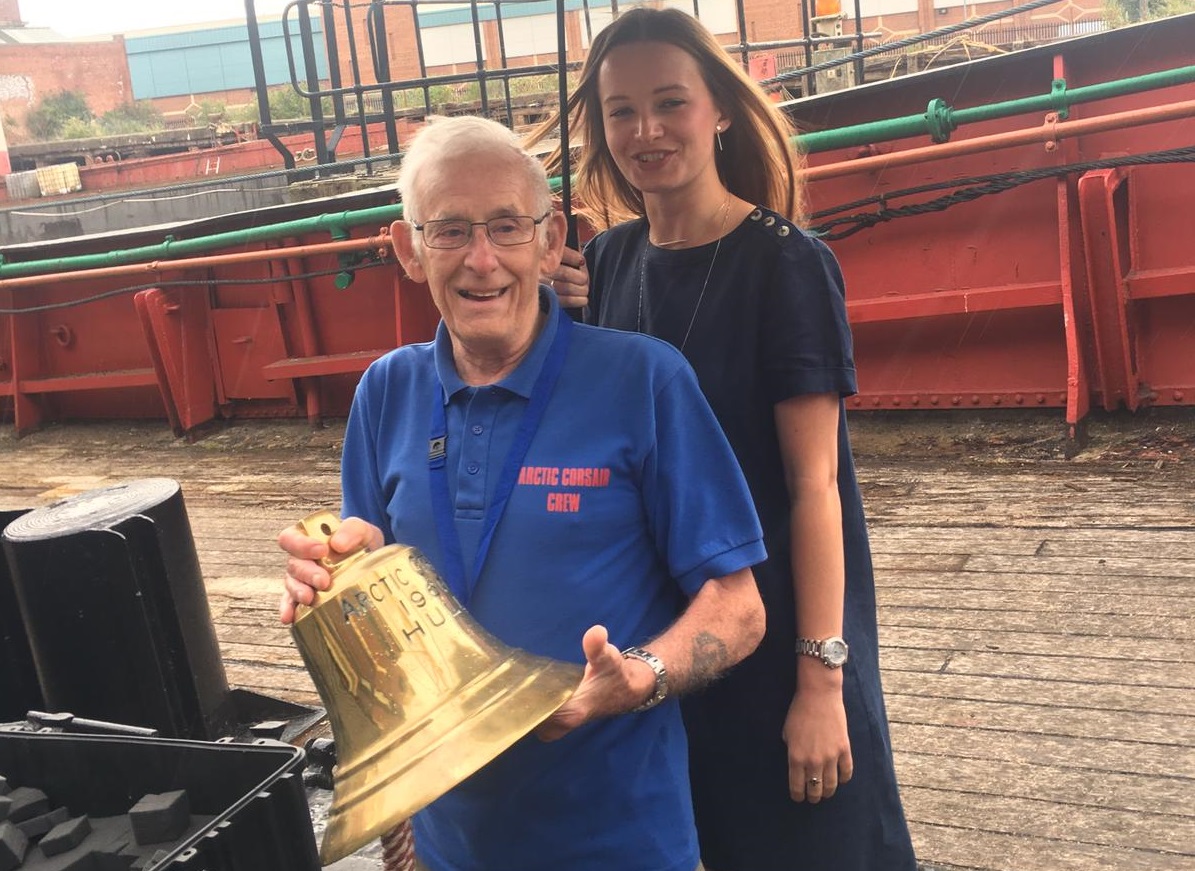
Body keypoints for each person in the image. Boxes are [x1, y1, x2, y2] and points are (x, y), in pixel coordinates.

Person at [278, 114, 767, 871]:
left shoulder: (644, 379)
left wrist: (636, 675)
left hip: (621, 842)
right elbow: (369, 558)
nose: (481, 261)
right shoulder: (385, 390)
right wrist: (332, 579)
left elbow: (738, 607)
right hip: (448, 847)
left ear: (549, 241)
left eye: (507, 227)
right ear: (408, 249)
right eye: (448, 231)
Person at [536, 8, 918, 870]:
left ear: (718, 111)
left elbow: (816, 487)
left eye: (670, 103)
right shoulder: (606, 265)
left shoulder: (785, 264)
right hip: (674, 636)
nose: (645, 131)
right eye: (620, 111)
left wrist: (821, 680)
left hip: (784, 627)